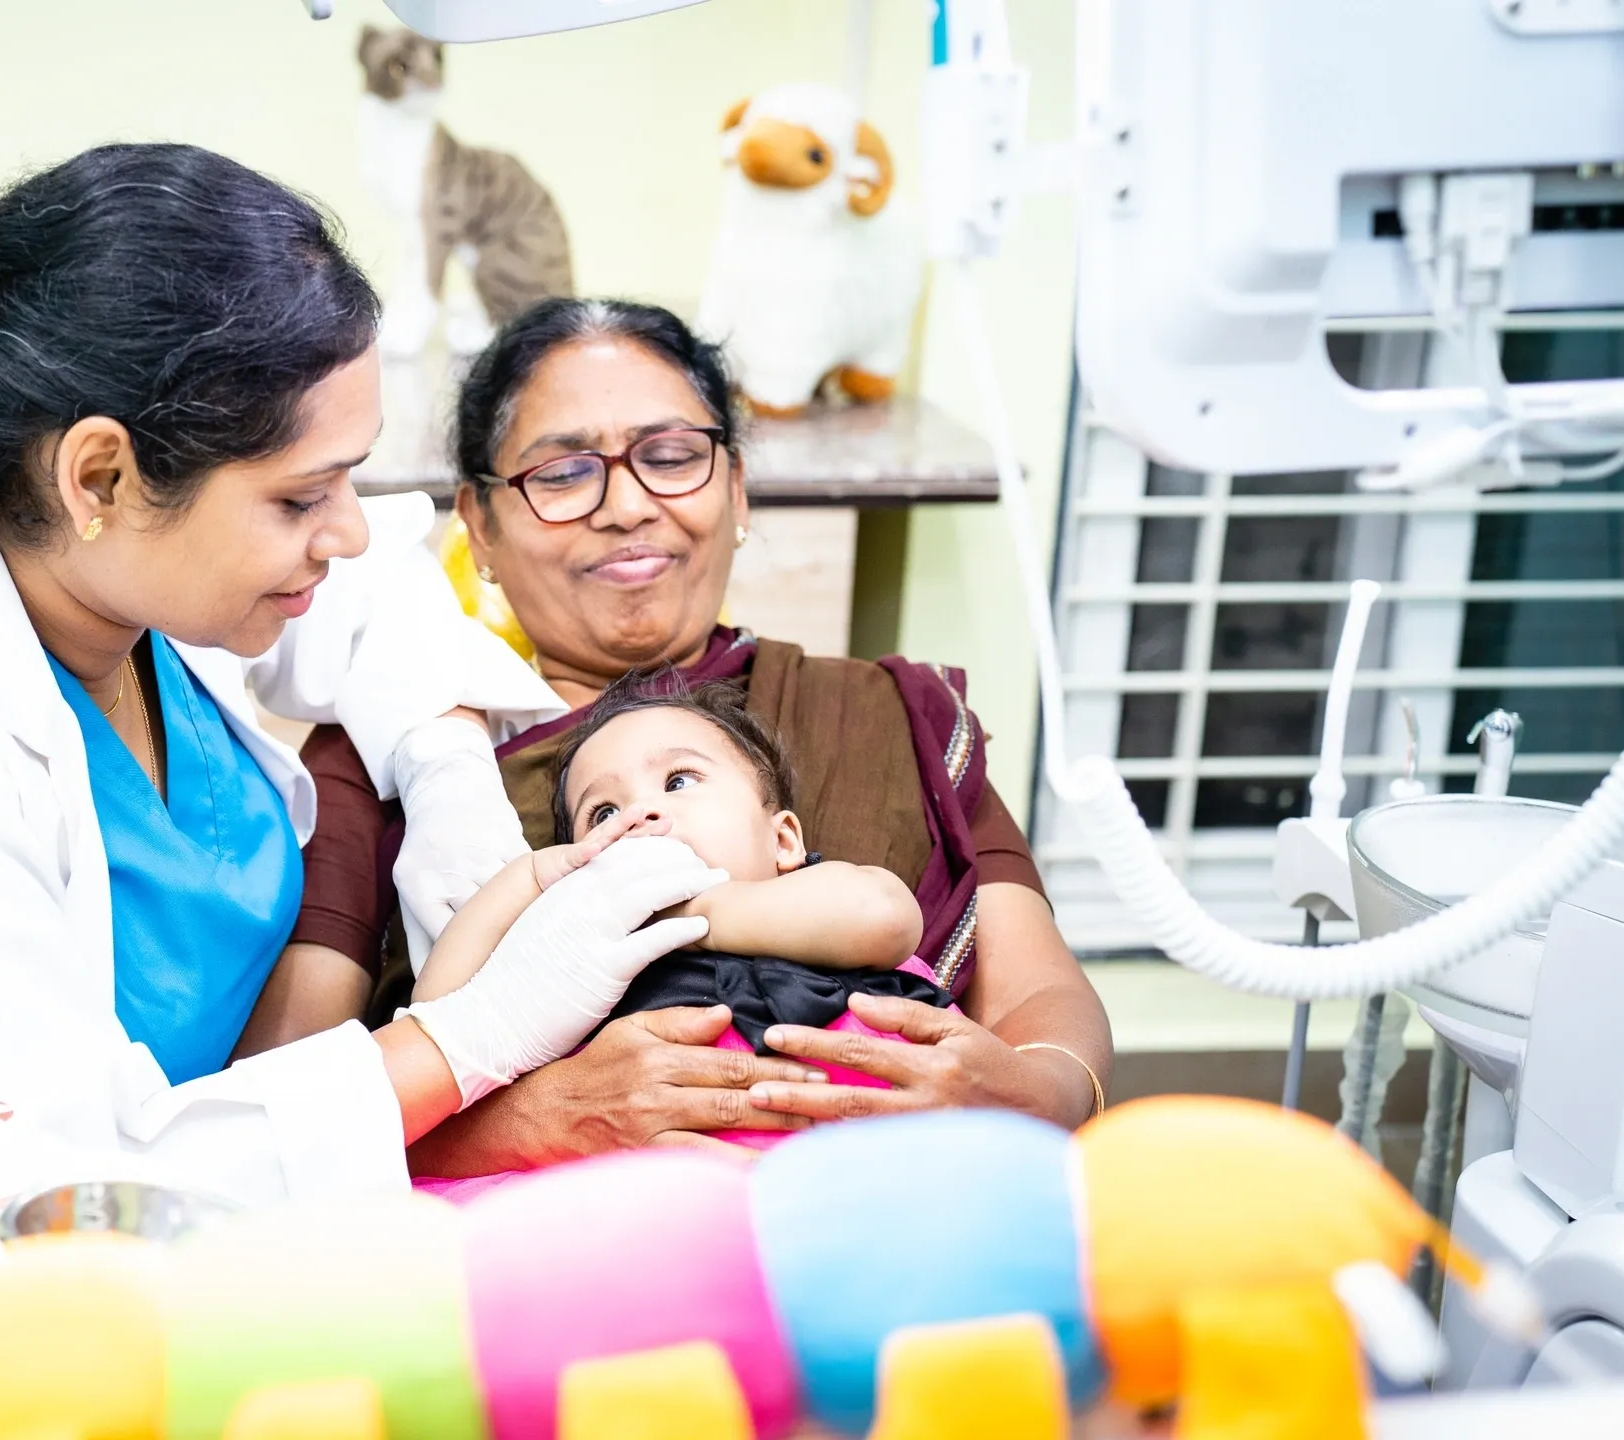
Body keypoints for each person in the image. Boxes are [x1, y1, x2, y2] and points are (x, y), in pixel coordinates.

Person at [0, 145, 711, 1207]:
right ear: (99, 475)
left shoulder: (123, 589)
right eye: (299, 497)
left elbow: (382, 606)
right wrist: (474, 1042)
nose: (348, 534)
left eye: (347, 482)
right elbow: (66, 1173)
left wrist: (448, 771)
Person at [252, 297, 1114, 1176]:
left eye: (670, 458)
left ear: (734, 487)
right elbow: (282, 1095)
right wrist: (525, 1123)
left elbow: (1042, 995)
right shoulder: (401, 753)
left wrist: (1029, 1093)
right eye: (562, 475)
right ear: (479, 526)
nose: (627, 506)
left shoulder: (883, 712)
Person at [407, 675, 954, 1154]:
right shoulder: (581, 967)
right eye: (603, 813)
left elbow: (883, 916)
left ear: (782, 840)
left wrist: (693, 911)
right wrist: (527, 879)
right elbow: (438, 1019)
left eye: (678, 781)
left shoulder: (823, 895)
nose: (641, 813)